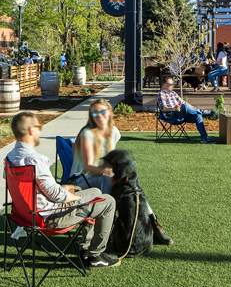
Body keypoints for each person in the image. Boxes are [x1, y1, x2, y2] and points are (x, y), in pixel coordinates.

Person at [5, 112, 120, 268]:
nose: (40, 130)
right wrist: (73, 197)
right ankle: (96, 255)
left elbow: (33, 189)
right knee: (108, 202)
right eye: (39, 127)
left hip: (27, 215)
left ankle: (85, 249)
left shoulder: (10, 158)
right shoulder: (35, 159)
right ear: (31, 130)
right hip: (51, 217)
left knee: (95, 192)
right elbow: (58, 196)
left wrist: (62, 189)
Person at [70, 99, 174, 244]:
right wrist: (106, 169)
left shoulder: (113, 132)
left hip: (104, 175)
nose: (99, 115)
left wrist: (117, 169)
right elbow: (88, 167)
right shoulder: (87, 134)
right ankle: (108, 225)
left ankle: (153, 223)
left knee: (131, 180)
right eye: (94, 112)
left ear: (109, 113)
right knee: (108, 178)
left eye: (102, 112)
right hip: (81, 180)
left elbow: (112, 158)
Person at [158, 77, 216, 144]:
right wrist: (173, 108)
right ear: (165, 85)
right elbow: (163, 108)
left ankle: (204, 138)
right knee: (184, 106)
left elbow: (184, 102)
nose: (173, 86)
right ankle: (204, 112)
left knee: (198, 116)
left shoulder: (173, 93)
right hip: (171, 116)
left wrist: (194, 108)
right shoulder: (161, 94)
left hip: (181, 115)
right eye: (171, 84)